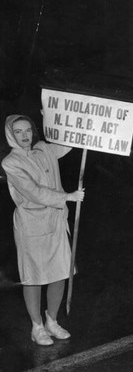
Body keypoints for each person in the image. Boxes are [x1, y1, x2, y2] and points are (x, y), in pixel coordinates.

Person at [1, 114, 85, 345]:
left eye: (28, 130)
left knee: (59, 273)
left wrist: (83, 127)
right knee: (34, 277)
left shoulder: (44, 149)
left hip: (56, 221)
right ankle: (37, 326)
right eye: (18, 132)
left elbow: (68, 143)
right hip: (32, 225)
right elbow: (33, 192)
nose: (24, 135)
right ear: (10, 135)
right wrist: (66, 197)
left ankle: (52, 320)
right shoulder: (10, 162)